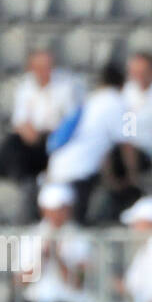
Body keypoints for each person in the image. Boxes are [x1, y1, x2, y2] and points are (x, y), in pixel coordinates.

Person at [46, 62, 140, 225]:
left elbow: (102, 150)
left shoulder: (89, 100)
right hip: (80, 173)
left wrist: (111, 180)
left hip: (58, 167)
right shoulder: (122, 104)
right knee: (73, 227)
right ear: (122, 83)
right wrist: (133, 175)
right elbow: (128, 143)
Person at [0, 49, 82, 206]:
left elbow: (71, 121)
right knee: (12, 143)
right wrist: (28, 132)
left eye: (47, 67)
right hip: (32, 139)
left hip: (57, 140)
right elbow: (20, 119)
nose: (44, 72)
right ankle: (23, 181)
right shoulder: (25, 87)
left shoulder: (67, 86)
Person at [10, 181, 92, 302]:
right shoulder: (31, 236)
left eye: (61, 209)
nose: (57, 214)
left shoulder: (81, 238)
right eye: (53, 210)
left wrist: (58, 258)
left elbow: (77, 282)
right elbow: (20, 281)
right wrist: (43, 258)